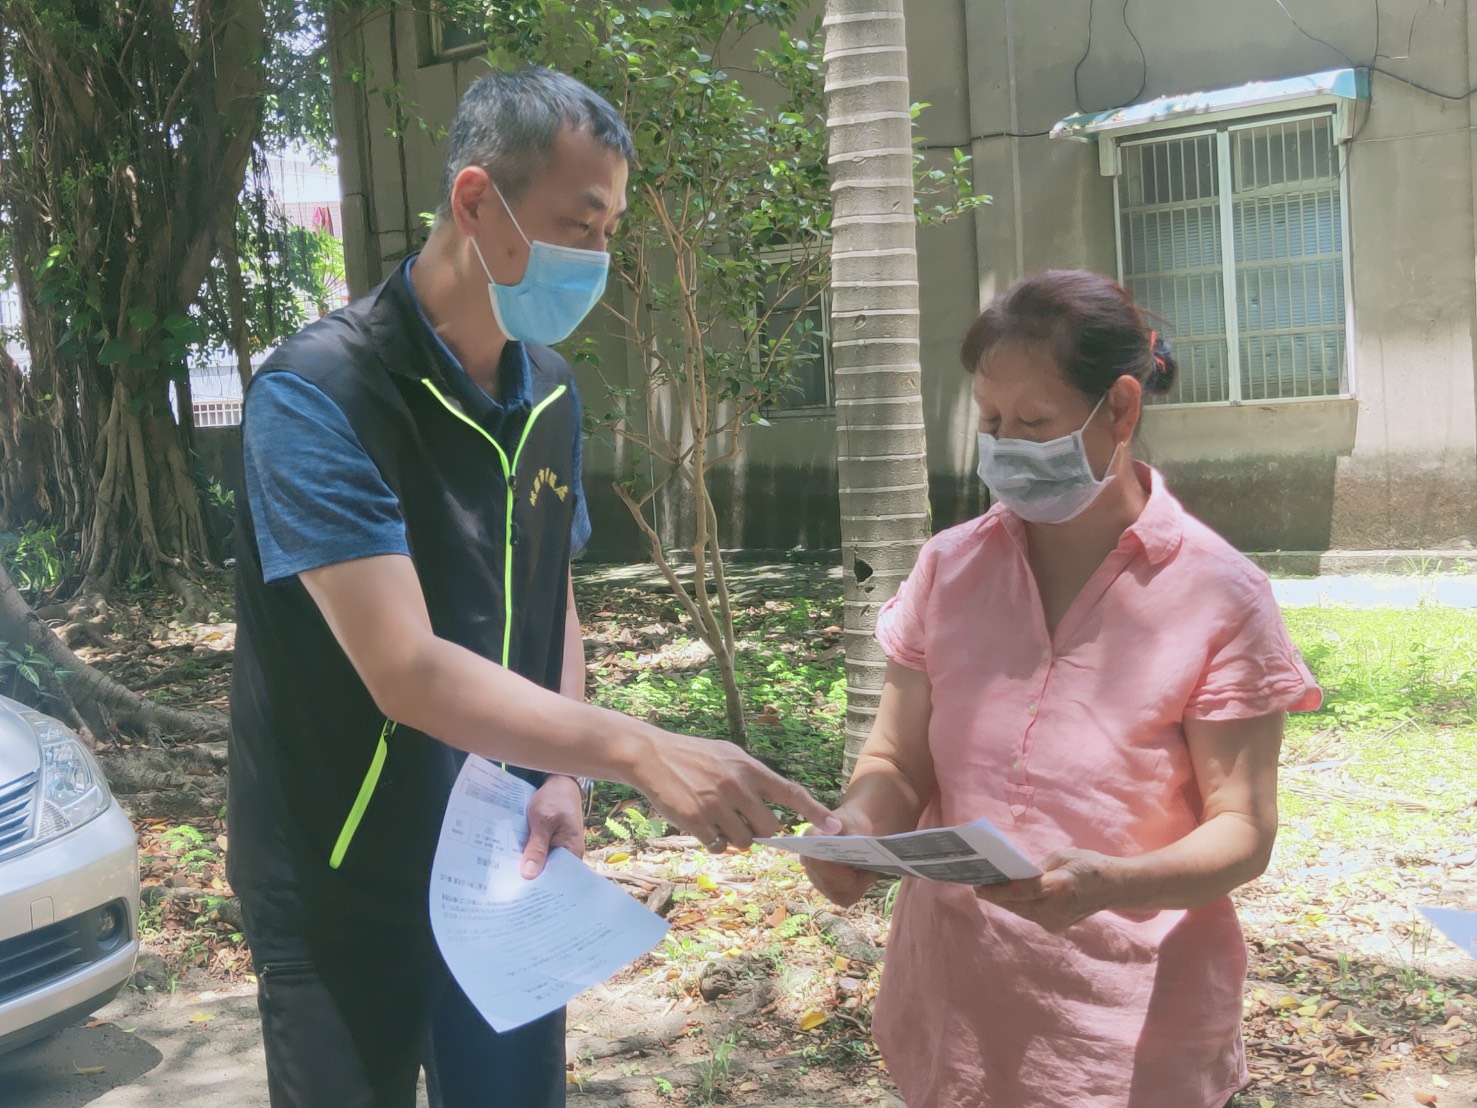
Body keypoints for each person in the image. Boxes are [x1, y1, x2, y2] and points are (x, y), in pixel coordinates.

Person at [228, 67, 837, 1108]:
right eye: (577, 224)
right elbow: (405, 669)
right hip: (342, 876)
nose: (596, 258)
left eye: (608, 231)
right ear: (477, 202)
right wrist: (637, 747)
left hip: (498, 864)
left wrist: (561, 776)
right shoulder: (317, 394)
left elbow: (550, 590)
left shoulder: (549, 391)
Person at [803, 270, 1321, 1108]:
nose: (1006, 446)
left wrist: (1111, 883)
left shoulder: (1220, 595)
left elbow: (1242, 831)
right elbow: (897, 759)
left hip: (1124, 1034)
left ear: (1119, 409)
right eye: (991, 423)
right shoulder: (951, 567)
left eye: (1033, 423)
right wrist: (856, 832)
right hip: (955, 1008)